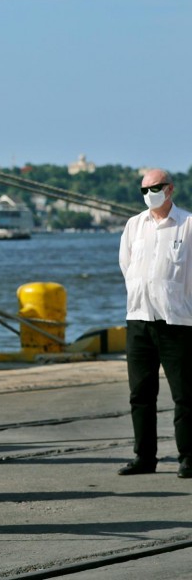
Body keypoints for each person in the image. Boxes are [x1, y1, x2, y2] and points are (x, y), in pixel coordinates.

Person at [119, 169, 192, 478]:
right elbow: (126, 266)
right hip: (139, 321)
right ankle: (144, 458)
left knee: (186, 395)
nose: (150, 193)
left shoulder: (188, 225)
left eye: (156, 187)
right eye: (144, 189)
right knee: (140, 394)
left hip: (177, 322)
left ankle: (189, 457)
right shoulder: (134, 225)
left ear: (170, 189)